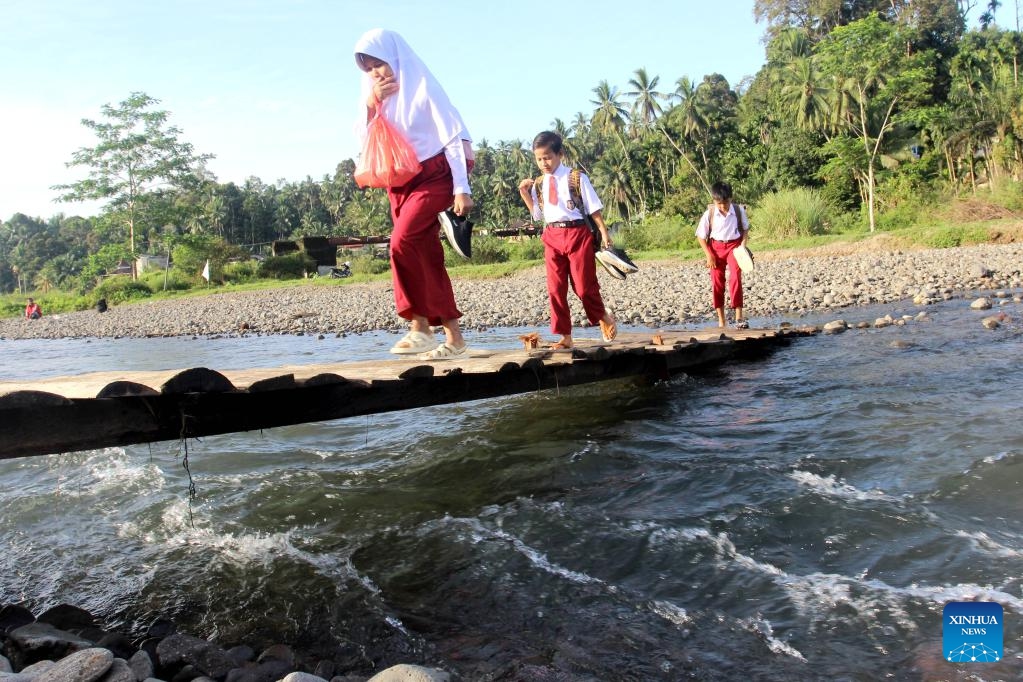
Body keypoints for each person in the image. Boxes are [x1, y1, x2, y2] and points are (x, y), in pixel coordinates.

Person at [354, 28, 474, 359]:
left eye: (379, 64)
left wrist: (462, 188)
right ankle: (454, 339)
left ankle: (420, 326)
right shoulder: (377, 98)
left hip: (434, 175)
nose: (376, 73)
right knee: (427, 257)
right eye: (369, 68)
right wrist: (371, 103)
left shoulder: (423, 87)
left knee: (400, 243)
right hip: (399, 181)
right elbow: (362, 140)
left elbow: (451, 137)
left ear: (395, 58)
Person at [518, 131, 617, 349]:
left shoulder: (576, 177)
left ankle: (603, 316)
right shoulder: (539, 184)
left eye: (547, 157)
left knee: (583, 287)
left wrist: (604, 233)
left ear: (559, 154)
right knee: (556, 289)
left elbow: (593, 208)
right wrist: (525, 193)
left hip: (577, 233)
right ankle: (565, 336)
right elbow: (537, 215)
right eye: (539, 159)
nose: (543, 163)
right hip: (552, 236)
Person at [695, 181, 750, 329]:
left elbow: (745, 229)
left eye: (725, 202)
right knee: (717, 282)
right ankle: (721, 320)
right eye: (719, 203)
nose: (722, 206)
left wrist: (743, 247)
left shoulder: (738, 211)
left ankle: (739, 317)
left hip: (734, 247)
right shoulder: (710, 214)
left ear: (731, 199)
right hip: (715, 248)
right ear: (714, 201)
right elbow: (701, 236)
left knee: (735, 277)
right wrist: (708, 255)